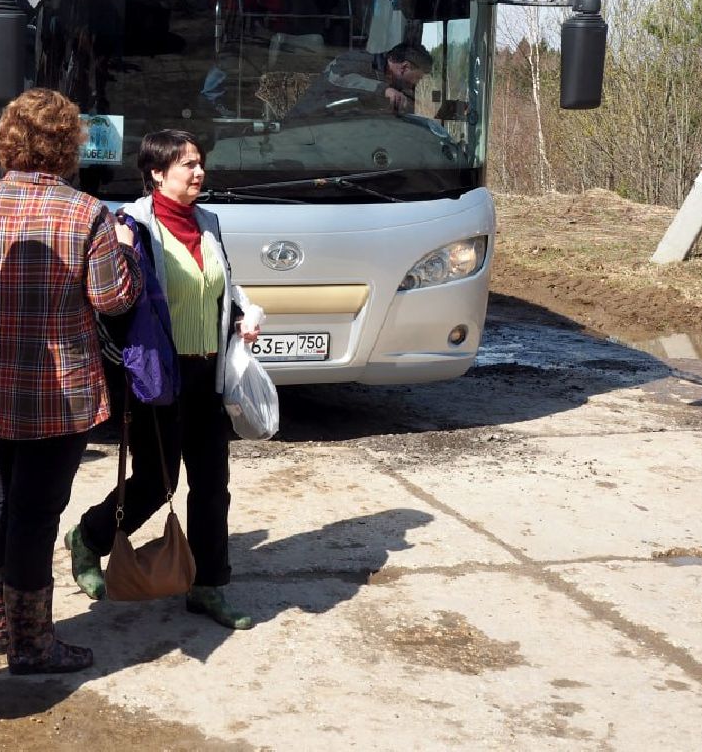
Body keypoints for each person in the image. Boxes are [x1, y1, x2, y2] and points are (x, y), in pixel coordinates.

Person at [0, 88, 141, 674]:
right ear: (69, 145)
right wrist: (129, 255)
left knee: (7, 502)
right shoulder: (86, 212)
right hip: (58, 393)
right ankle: (32, 643)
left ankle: (2, 622)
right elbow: (112, 300)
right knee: (37, 516)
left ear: (9, 140)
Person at [69, 129, 263, 630]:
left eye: (200, 163)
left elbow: (219, 287)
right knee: (158, 482)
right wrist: (127, 371)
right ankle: (89, 539)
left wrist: (243, 313)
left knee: (212, 484)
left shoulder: (209, 222)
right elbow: (114, 307)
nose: (199, 173)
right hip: (159, 375)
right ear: (157, 173)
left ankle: (209, 586)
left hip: (208, 372)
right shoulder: (132, 224)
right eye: (187, 165)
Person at [290, 42, 433, 118]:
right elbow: (337, 77)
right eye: (418, 78)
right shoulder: (358, 59)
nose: (416, 83)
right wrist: (384, 90)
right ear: (405, 67)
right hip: (304, 125)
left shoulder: (397, 87)